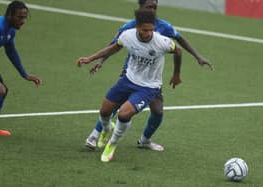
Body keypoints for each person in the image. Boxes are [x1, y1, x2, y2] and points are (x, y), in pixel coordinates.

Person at [85, 0, 213, 151]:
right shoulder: (129, 28)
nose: (152, 10)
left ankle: (145, 141)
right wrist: (100, 61)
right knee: (114, 106)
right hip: (130, 73)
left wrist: (197, 56)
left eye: (155, 7)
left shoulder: (163, 26)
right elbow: (114, 46)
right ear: (141, 8)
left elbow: (179, 41)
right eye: (149, 7)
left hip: (152, 79)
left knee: (158, 111)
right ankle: (95, 135)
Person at [77, 8, 182, 162]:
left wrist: (176, 74)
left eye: (151, 30)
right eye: (145, 30)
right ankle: (106, 130)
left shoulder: (161, 42)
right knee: (104, 111)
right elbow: (114, 48)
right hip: (127, 80)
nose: (148, 33)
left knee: (124, 114)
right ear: (137, 27)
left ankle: (111, 144)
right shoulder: (127, 35)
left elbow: (178, 51)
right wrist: (90, 58)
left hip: (149, 87)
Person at [0, 1, 42, 136]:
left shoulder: (10, 31)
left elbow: (11, 52)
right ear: (9, 15)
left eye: (24, 18)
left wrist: (25, 75)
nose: (22, 21)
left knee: (2, 90)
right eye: (20, 17)